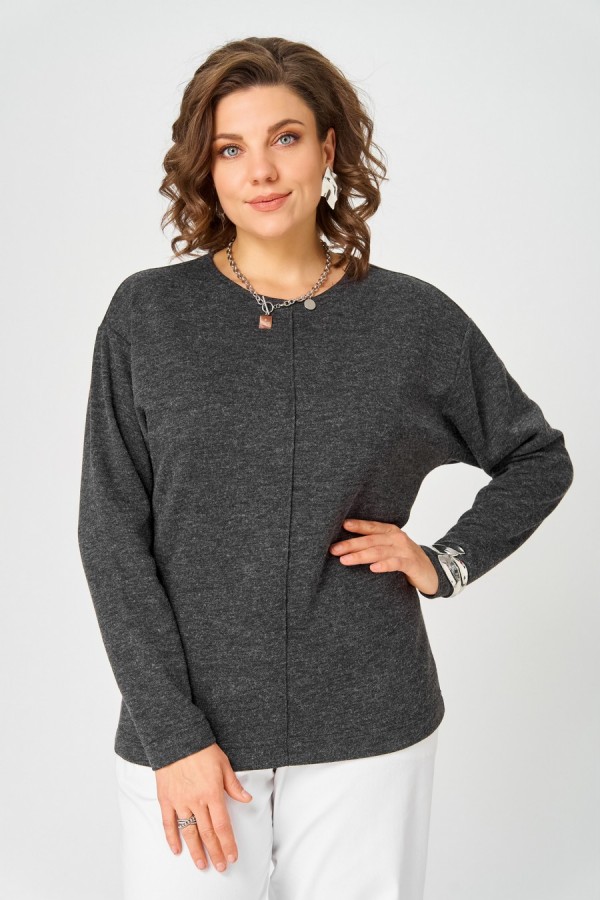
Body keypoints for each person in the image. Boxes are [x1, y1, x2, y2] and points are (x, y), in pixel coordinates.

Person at [77, 36, 574, 900]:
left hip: (370, 726)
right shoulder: (148, 316)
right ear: (205, 167)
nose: (261, 171)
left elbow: (537, 456)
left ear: (328, 149)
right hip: (192, 738)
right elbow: (112, 533)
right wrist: (172, 734)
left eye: (286, 138)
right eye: (231, 148)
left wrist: (445, 562)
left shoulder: (412, 321)